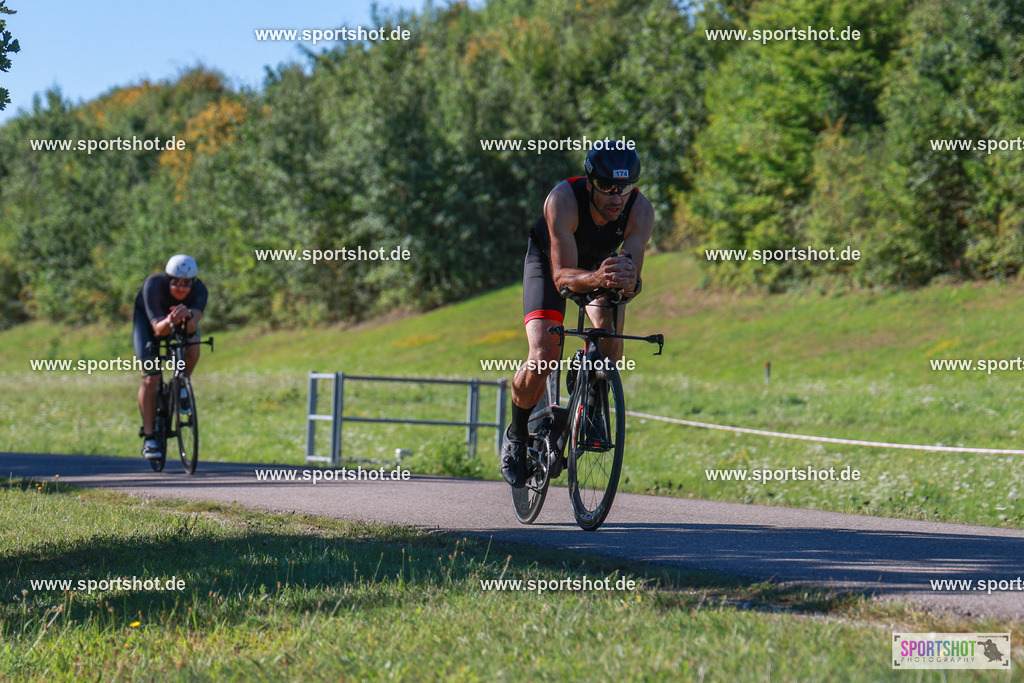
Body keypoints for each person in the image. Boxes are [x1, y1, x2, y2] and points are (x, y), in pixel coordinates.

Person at [501, 146, 655, 487]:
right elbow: (562, 278)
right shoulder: (563, 200)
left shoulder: (640, 211)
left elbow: (628, 286)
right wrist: (599, 279)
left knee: (611, 342)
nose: (617, 197)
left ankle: (589, 395)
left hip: (599, 267)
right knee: (543, 355)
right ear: (590, 183)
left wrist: (629, 283)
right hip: (550, 263)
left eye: (626, 187)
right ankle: (518, 434)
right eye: (607, 187)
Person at [133, 254, 208, 460]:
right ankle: (149, 437)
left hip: (178, 322)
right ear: (168, 279)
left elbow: (193, 327)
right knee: (151, 378)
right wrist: (170, 320)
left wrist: (188, 317)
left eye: (186, 284)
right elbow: (158, 330)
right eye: (176, 283)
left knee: (193, 346)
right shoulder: (153, 286)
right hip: (150, 327)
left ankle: (181, 384)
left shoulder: (200, 290)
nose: (181, 288)